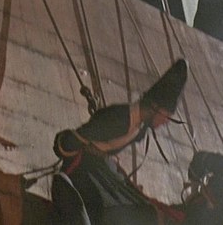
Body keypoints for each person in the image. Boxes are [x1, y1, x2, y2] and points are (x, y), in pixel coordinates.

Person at [51, 58, 189, 225]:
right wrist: (69, 150)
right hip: (82, 170)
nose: (165, 122)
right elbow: (71, 141)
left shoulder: (139, 128)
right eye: (165, 116)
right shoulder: (119, 119)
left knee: (148, 210)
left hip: (99, 168)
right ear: (154, 107)